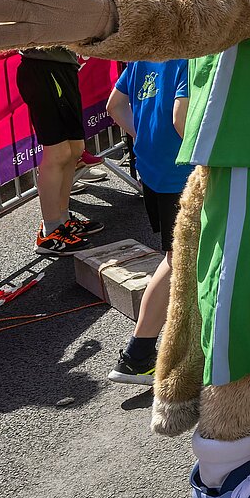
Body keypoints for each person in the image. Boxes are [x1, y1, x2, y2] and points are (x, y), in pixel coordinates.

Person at [0, 0, 104, 256]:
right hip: (40, 70)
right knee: (56, 153)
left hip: (64, 69)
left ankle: (63, 218)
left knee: (73, 150)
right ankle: (50, 229)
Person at [104, 53, 191, 384]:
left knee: (178, 260)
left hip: (154, 172)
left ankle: (140, 354)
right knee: (180, 261)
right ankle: (138, 355)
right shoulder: (189, 53)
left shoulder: (146, 54)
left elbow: (115, 105)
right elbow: (181, 119)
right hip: (181, 177)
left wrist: (144, 138)